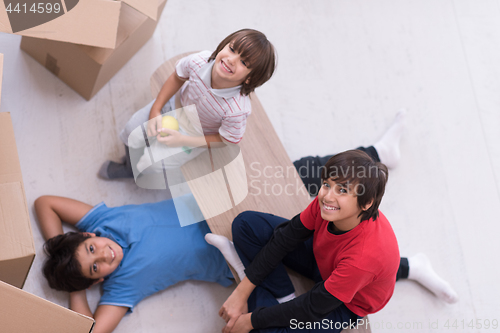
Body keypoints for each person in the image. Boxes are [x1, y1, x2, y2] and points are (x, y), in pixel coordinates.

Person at [205, 111, 458, 333]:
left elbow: (313, 306)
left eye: (342, 190)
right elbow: (286, 237)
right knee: (246, 225)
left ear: (366, 203)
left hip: (346, 304)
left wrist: (251, 320)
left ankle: (245, 269)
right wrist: (242, 292)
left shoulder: (361, 260)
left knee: (263, 328)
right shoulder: (327, 204)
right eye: (327, 184)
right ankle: (283, 295)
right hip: (324, 260)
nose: (327, 195)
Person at [35, 195, 234, 333]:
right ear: (95, 281)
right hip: (236, 253)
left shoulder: (103, 221)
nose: (104, 255)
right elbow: (90, 330)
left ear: (86, 235)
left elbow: (45, 203)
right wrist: (76, 286)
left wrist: (60, 247)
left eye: (92, 248)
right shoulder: (122, 286)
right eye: (94, 268)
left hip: (218, 203)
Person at [99, 28, 277, 180]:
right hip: (173, 106)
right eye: (231, 49)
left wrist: (183, 140)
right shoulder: (200, 61)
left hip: (195, 134)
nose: (231, 59)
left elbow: (225, 139)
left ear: (250, 78)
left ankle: (133, 171)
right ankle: (129, 165)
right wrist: (156, 109)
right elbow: (177, 77)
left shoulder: (237, 110)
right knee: (132, 130)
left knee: (150, 165)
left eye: (244, 62)